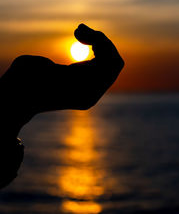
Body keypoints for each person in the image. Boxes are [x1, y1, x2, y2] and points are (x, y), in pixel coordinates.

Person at [0, 23, 124, 189]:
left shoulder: (16, 92)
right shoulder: (16, 93)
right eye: (17, 147)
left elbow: (86, 92)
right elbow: (87, 91)